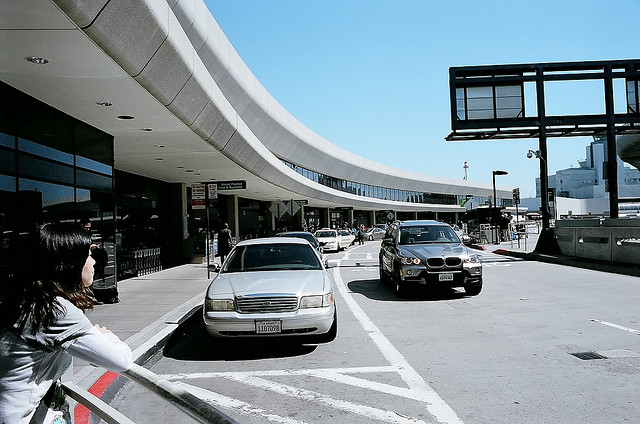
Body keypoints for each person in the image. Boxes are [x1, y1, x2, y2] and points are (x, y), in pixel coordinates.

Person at [0, 222, 133, 423]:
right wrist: (106, 337)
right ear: (69, 263)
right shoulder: (56, 311)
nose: (93, 262)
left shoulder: (23, 299)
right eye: (87, 255)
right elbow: (121, 361)